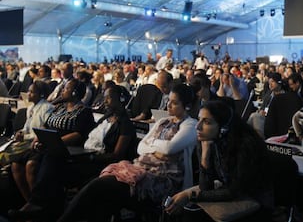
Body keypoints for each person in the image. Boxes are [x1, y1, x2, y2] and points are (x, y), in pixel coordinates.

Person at [56, 84, 198, 222]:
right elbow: (140, 147)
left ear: (187, 106)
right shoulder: (163, 121)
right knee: (102, 197)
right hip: (140, 169)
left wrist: (154, 145)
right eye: (169, 101)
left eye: (174, 103)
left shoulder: (190, 125)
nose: (169, 105)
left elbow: (169, 148)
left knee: (98, 187)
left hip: (162, 179)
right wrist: (158, 150)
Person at [165, 100, 272, 222]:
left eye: (206, 122)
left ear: (223, 128)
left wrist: (191, 195)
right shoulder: (206, 140)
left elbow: (235, 191)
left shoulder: (246, 146)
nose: (197, 126)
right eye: (199, 119)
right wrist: (205, 157)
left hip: (255, 202)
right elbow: (206, 187)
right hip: (230, 197)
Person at [8, 79, 96, 220]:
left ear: (74, 92)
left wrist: (54, 141)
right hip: (48, 144)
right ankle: (29, 203)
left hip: (67, 149)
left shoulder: (83, 111)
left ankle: (38, 205)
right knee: (16, 163)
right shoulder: (59, 107)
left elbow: (78, 135)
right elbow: (46, 125)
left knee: (32, 165)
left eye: (66, 89)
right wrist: (40, 138)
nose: (62, 91)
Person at [6, 82, 54, 201]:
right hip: (28, 143)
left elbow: (43, 131)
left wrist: (25, 137)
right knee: (15, 165)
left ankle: (37, 201)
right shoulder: (31, 108)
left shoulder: (47, 108)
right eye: (29, 91)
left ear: (41, 95)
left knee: (29, 165)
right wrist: (21, 133)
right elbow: (27, 128)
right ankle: (27, 200)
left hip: (39, 144)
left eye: (32, 92)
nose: (28, 94)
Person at [247, 72, 285, 138]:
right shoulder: (269, 94)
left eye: (272, 82)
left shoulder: (283, 95)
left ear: (279, 82)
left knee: (254, 116)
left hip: (274, 120)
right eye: (269, 82)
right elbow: (262, 107)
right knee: (254, 116)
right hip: (264, 117)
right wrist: (261, 111)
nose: (270, 84)